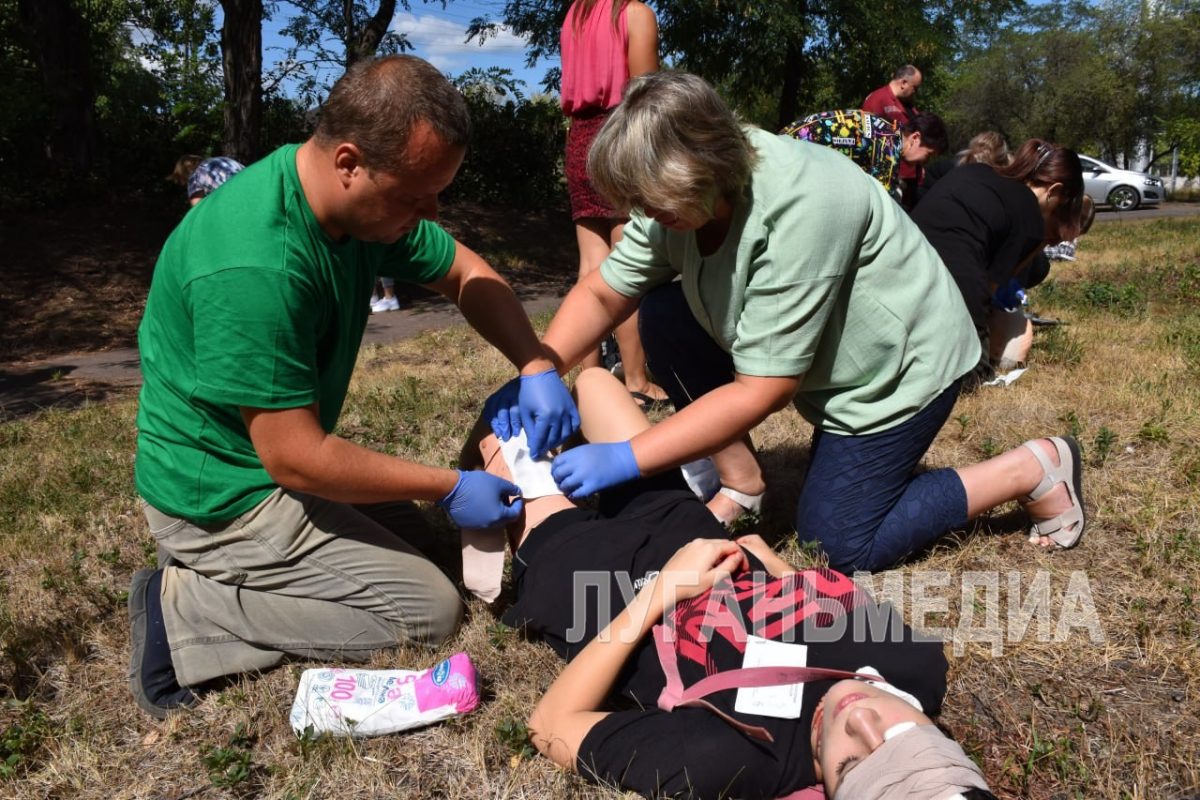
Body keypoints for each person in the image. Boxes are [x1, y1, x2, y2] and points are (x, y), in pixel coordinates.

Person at [489, 71, 1087, 577]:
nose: (647, 220)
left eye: (656, 206)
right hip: (827, 359)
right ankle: (742, 481)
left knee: (839, 544)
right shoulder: (681, 188)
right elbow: (602, 291)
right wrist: (540, 367)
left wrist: (629, 456)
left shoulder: (801, 204)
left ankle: (1032, 467)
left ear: (706, 171)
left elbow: (763, 388)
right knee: (666, 315)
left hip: (898, 370)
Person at [128, 55, 581, 719]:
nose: (430, 213)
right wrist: (450, 486)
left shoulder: (349, 206)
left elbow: (465, 273)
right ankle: (184, 614)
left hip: (269, 468)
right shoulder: (257, 264)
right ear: (349, 161)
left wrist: (536, 364)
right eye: (415, 196)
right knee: (428, 609)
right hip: (222, 498)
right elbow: (296, 458)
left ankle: (232, 582)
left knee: (429, 547)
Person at [469, 368, 997, 799]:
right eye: (903, 736)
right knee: (591, 385)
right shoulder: (915, 667)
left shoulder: (732, 763)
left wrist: (662, 592)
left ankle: (522, 505)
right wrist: (773, 564)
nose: (859, 720)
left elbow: (549, 725)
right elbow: (842, 601)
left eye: (851, 763)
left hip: (602, 592)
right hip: (691, 535)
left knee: (504, 436)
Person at [559, 0, 670, 410]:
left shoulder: (576, 15)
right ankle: (636, 380)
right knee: (629, 263)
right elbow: (645, 94)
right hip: (619, 135)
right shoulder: (634, 13)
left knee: (591, 265)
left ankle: (589, 378)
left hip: (579, 137)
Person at [911, 139, 1087, 386]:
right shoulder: (1028, 217)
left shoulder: (976, 172)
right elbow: (986, 292)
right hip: (946, 293)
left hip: (904, 268)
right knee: (972, 377)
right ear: (1054, 192)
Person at [780, 109, 948, 201]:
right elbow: (882, 203)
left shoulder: (885, 130)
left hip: (787, 145)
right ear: (915, 138)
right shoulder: (888, 145)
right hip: (791, 158)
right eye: (928, 155)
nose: (923, 164)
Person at [862, 65, 924, 208]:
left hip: (912, 176)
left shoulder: (909, 106)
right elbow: (867, 138)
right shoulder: (878, 100)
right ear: (903, 83)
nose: (916, 92)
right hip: (892, 178)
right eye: (915, 88)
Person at [168, 155, 246, 206]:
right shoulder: (222, 159)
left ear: (184, 172)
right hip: (248, 185)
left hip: (233, 198)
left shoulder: (195, 176)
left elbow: (198, 208)